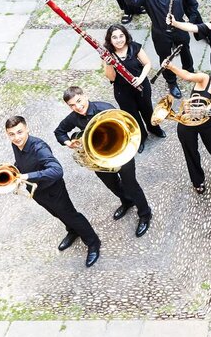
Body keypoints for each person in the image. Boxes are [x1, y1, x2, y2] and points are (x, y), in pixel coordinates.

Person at [4, 116, 101, 267]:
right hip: (36, 190)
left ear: (27, 129)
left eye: (19, 132)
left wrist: (27, 176)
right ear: (7, 134)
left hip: (53, 190)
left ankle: (93, 242)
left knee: (71, 215)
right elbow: (23, 161)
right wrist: (13, 170)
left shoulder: (39, 147)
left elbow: (57, 170)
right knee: (57, 214)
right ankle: (73, 231)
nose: (16, 138)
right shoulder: (16, 144)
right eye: (12, 134)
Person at [57, 86, 152, 238]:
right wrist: (68, 142)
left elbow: (126, 127)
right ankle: (127, 202)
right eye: (72, 105)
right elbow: (59, 132)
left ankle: (145, 214)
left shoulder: (105, 109)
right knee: (112, 184)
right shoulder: (73, 117)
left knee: (131, 185)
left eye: (79, 101)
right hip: (99, 158)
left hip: (121, 151)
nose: (78, 107)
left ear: (85, 95)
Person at [121, 0, 201, 99]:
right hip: (160, 33)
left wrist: (189, 22)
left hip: (180, 28)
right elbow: (132, 3)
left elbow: (193, 5)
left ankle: (190, 72)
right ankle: (171, 82)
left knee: (185, 51)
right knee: (165, 58)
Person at [161, 58, 211, 194]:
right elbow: (187, 75)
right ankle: (197, 181)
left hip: (207, 122)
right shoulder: (205, 79)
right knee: (191, 153)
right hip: (187, 121)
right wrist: (171, 66)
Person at [102, 23, 164, 152]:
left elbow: (147, 64)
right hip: (122, 91)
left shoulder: (134, 47)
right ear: (110, 39)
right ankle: (141, 137)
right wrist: (109, 64)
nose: (119, 40)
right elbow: (111, 78)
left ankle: (154, 128)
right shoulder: (108, 55)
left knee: (147, 109)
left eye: (121, 36)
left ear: (125, 36)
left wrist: (140, 78)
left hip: (141, 86)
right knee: (132, 115)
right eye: (114, 37)